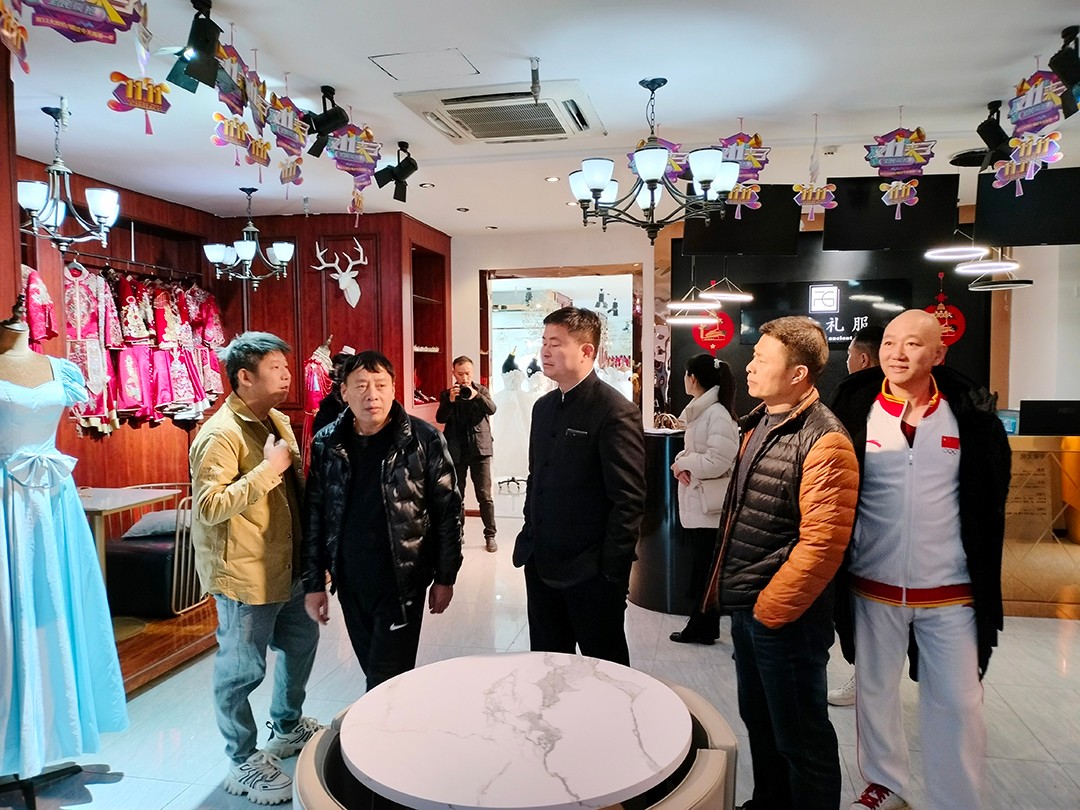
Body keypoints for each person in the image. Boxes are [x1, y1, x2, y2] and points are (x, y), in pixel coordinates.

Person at [831, 309, 1011, 810]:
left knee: (958, 702)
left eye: (912, 344)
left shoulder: (968, 416)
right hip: (872, 582)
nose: (897, 353)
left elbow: (990, 498)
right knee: (874, 693)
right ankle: (885, 786)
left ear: (938, 353)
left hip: (951, 589)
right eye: (890, 342)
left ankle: (958, 799)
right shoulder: (856, 410)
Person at [702, 316, 859, 810]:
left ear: (798, 373)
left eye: (761, 360)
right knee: (762, 722)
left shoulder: (824, 439)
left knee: (801, 737)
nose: (749, 367)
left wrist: (770, 610)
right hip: (751, 606)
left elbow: (822, 545)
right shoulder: (761, 422)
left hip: (786, 617)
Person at [190, 331, 321, 806]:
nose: (287, 376)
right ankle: (241, 758)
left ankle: (286, 725)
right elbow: (208, 507)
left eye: (287, 367)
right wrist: (267, 471)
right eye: (276, 369)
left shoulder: (276, 419)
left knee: (301, 645)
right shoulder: (219, 433)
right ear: (245, 377)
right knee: (241, 670)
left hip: (287, 565)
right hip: (246, 575)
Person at [303, 350, 463, 691]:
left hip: (402, 580)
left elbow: (448, 511)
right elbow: (315, 514)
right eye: (361, 385)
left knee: (384, 678)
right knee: (375, 670)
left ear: (393, 388)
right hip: (351, 580)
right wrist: (314, 583)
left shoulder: (423, 439)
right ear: (344, 391)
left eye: (380, 384)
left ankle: (382, 724)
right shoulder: (327, 443)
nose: (371, 394)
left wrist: (445, 576)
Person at [513, 307, 645, 666]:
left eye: (556, 343)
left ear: (587, 351)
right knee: (548, 665)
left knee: (604, 669)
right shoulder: (543, 408)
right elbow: (536, 478)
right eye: (544, 342)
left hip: (590, 571)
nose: (545, 351)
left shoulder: (614, 411)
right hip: (541, 562)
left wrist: (611, 571)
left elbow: (629, 501)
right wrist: (530, 533)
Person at [829, 322, 885, 707]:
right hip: (880, 518)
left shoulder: (853, 396)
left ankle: (866, 676)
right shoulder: (899, 398)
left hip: (857, 516)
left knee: (858, 603)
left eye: (849, 354)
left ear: (862, 358)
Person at [668, 354, 739, 646]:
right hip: (701, 504)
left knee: (706, 573)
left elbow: (717, 461)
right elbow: (698, 453)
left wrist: (683, 463)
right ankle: (703, 627)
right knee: (702, 571)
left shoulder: (716, 414)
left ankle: (700, 627)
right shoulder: (704, 411)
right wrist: (681, 462)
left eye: (685, 374)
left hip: (710, 507)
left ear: (693, 378)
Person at [436, 355, 498, 552]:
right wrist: (450, 401)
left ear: (473, 373)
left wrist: (476, 396)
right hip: (456, 450)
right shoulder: (448, 394)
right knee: (457, 494)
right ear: (454, 373)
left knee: (484, 495)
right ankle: (458, 534)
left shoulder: (481, 391)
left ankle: (490, 535)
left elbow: (492, 409)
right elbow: (440, 418)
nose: (464, 378)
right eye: (460, 374)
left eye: (468, 374)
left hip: (480, 449)